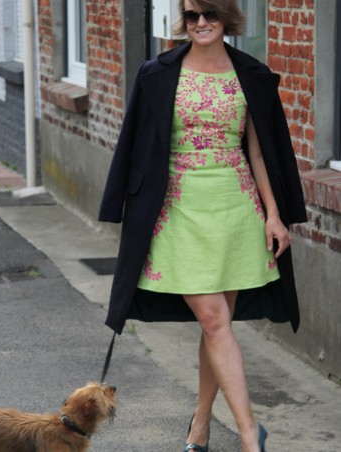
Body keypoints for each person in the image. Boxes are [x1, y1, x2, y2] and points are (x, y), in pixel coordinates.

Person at [99, 0, 307, 450]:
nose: (200, 24)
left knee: (218, 325)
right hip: (177, 208)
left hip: (235, 208)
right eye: (191, 16)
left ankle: (200, 423)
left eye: (209, 14)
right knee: (214, 319)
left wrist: (273, 214)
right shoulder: (157, 73)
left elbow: (259, 152)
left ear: (226, 18)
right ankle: (252, 434)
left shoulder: (250, 74)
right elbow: (134, 142)